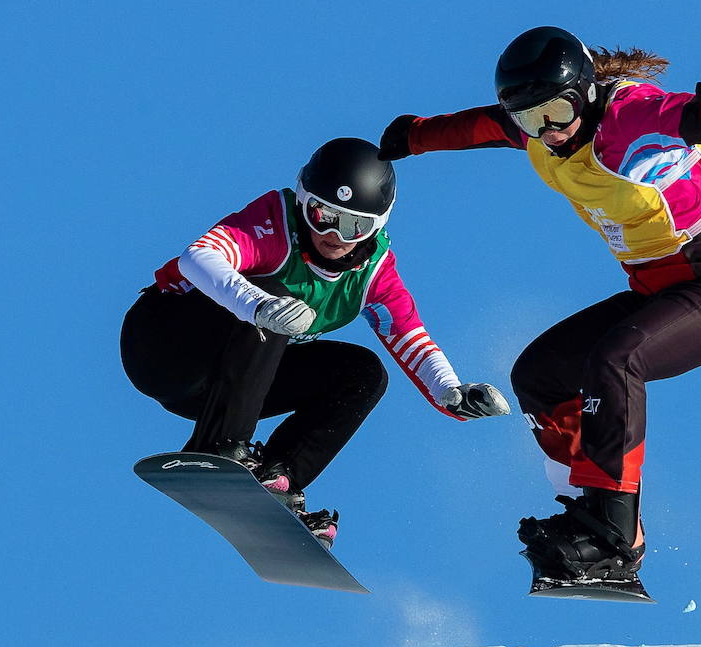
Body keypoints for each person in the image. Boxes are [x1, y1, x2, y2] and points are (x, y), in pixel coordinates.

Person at [377, 26, 701, 585]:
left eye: (557, 111)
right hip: (655, 289)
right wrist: (412, 137)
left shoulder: (631, 115)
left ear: (584, 91)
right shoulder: (542, 130)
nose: (548, 130)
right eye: (531, 119)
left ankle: (617, 531)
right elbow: (480, 127)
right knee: (540, 373)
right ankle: (585, 508)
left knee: (616, 358)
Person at [122, 137, 509, 547]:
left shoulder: (373, 275)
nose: (333, 234)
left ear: (376, 227)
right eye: (321, 214)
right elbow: (198, 258)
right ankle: (220, 449)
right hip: (163, 345)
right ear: (304, 202)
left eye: (354, 226)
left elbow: (409, 335)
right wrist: (258, 305)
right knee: (278, 302)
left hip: (223, 385)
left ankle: (277, 478)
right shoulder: (275, 222)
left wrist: (450, 391)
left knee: (363, 374)